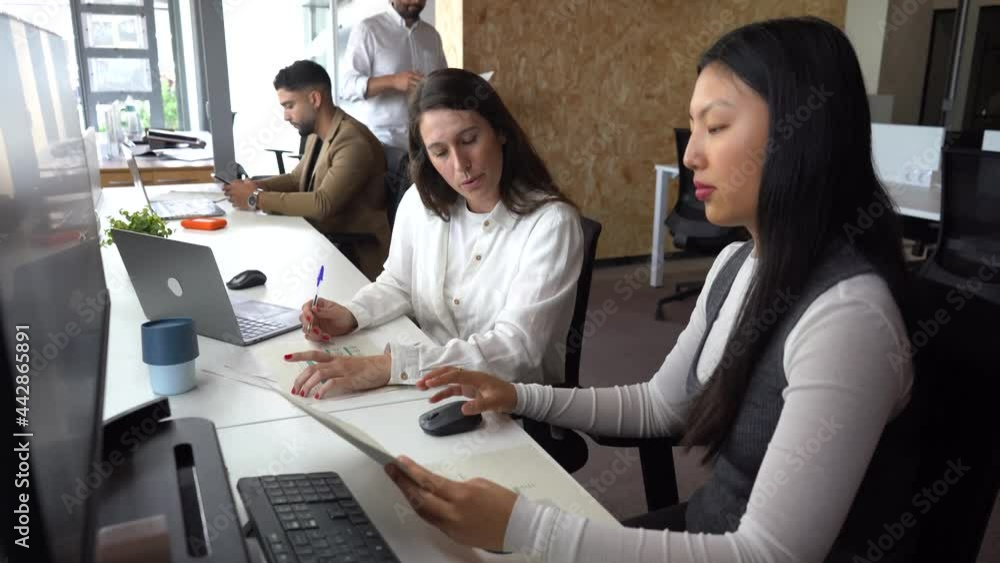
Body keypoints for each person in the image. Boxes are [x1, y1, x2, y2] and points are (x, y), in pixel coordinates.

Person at [382, 17, 922, 563]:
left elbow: (769, 555)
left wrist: (525, 529)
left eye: (716, 127)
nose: (690, 157)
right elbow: (660, 405)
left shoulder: (848, 317)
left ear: (798, 132)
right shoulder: (738, 264)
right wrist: (519, 395)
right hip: (705, 533)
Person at [285, 68, 583, 399]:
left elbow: (516, 352)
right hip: (428, 382)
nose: (460, 165)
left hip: (507, 403)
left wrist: (389, 366)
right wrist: (352, 314)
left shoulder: (551, 224)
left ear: (500, 131)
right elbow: (400, 282)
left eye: (469, 140)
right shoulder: (420, 202)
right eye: (440, 152)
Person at [224, 60, 389, 280]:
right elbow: (296, 179)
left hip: (355, 260)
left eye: (289, 105)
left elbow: (323, 203)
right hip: (325, 243)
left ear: (314, 99)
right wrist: (254, 186)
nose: (285, 116)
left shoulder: (352, 141)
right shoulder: (317, 133)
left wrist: (256, 199)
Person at [340, 0, 448, 149]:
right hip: (383, 142)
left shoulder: (432, 35)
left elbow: (442, 82)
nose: (416, 1)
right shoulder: (369, 30)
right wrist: (393, 81)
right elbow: (347, 86)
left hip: (426, 139)